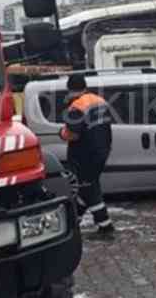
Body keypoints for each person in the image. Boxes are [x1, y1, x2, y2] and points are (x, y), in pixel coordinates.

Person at [60, 74, 115, 237]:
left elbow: (73, 135)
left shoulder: (76, 106)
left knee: (88, 188)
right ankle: (73, 223)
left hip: (84, 155)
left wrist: (61, 133)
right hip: (102, 151)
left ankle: (106, 227)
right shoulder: (99, 101)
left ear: (70, 89)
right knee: (88, 186)